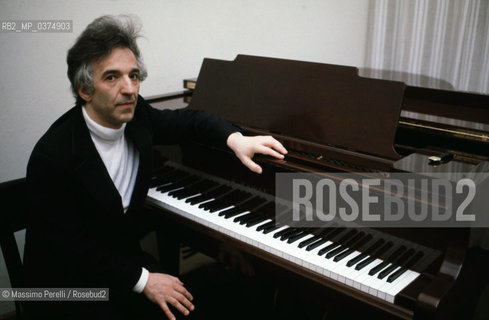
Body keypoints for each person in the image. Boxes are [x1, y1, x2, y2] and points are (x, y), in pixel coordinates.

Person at [23, 15, 287, 320]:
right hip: (68, 285)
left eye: (133, 76)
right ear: (85, 89)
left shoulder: (137, 118)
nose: (129, 89)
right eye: (112, 77)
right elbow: (71, 248)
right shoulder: (53, 156)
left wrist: (235, 138)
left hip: (119, 262)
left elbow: (190, 121)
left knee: (191, 306)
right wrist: (144, 280)